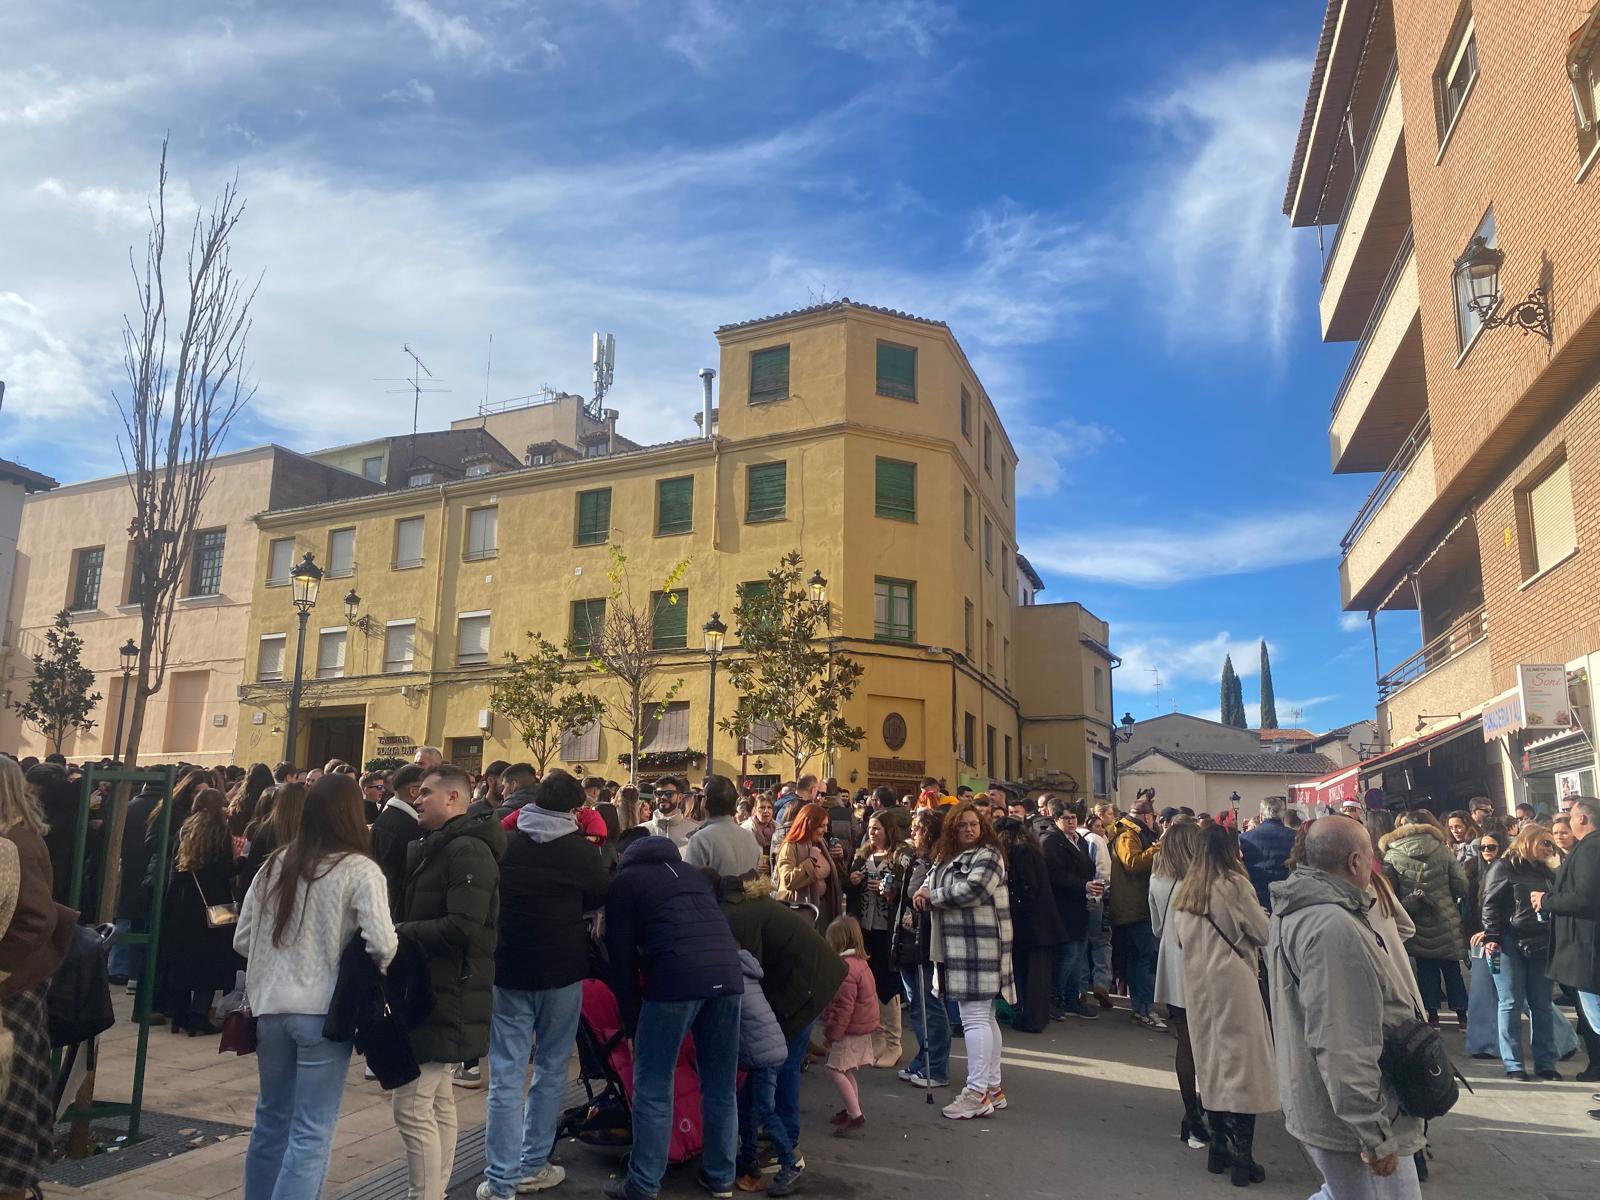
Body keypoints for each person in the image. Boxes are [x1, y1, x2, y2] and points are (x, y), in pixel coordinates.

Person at [236, 773, 398, 1200]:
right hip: (325, 1012)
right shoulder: (359, 870)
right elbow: (382, 942)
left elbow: (242, 938)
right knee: (311, 1132)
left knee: (270, 1121)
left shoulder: (275, 863)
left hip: (271, 1009)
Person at [1269, 816, 1425, 1198]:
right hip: (1352, 1115)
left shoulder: (1301, 905)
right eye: (1371, 854)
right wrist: (1374, 1132)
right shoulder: (1332, 925)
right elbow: (1342, 1040)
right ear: (1355, 862)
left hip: (1331, 1103)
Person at [480, 770, 608, 1199]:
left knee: (505, 1075)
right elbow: (596, 898)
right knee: (552, 1069)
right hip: (562, 970)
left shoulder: (505, 844)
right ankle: (533, 1165)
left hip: (509, 967)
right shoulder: (581, 852)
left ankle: (498, 1180)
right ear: (574, 810)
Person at [603, 836, 743, 1200]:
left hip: (674, 980)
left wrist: (631, 1022)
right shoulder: (692, 874)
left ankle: (644, 1182)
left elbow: (621, 960)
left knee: (653, 1085)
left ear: (624, 856)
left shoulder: (625, 882)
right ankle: (721, 1177)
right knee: (720, 1085)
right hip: (728, 976)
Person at [393, 764, 503, 1200]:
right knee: (436, 1100)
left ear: (454, 799)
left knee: (412, 1105)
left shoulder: (466, 851)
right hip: (435, 986)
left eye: (426, 793)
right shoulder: (443, 847)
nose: (417, 799)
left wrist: (400, 931)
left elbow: (464, 926)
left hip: (448, 990)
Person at [715, 870, 844, 1194]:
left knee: (782, 1070)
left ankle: (786, 1147)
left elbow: (749, 970)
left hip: (803, 988)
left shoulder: (736, 916)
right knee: (778, 1071)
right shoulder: (747, 904)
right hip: (810, 980)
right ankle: (776, 1143)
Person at [1173, 823, 1277, 1185]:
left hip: (1198, 986)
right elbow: (1262, 933)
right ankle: (1243, 1155)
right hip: (1233, 982)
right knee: (1243, 1066)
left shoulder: (1186, 892)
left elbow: (1179, 940)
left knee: (1212, 1063)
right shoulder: (1233, 885)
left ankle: (1218, 1145)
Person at [0, 756, 76, 1199]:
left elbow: (34, 920)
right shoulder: (16, 836)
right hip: (19, 982)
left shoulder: (17, 842)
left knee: (11, 1102)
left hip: (14, 988)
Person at [913, 800, 1016, 1120]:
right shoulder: (947, 855)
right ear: (952, 829)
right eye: (962, 825)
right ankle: (992, 1087)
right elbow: (928, 881)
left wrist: (933, 897)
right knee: (984, 1018)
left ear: (983, 826)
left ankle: (976, 1093)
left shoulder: (990, 855)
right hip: (958, 946)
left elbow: (975, 890)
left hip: (979, 946)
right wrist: (923, 892)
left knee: (974, 1017)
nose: (969, 829)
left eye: (974, 824)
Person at [156, 787, 244, 1035]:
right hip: (213, 905)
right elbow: (225, 869)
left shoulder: (184, 829)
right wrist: (242, 860)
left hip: (182, 903)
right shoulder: (219, 832)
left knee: (183, 958)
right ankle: (199, 1013)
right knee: (211, 960)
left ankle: (179, 1015)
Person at [1482, 823, 1563, 1080]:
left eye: (1551, 844)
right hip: (1508, 941)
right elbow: (1491, 903)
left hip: (1542, 940)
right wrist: (1492, 935)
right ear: (1529, 841)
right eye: (1545, 842)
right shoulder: (1504, 867)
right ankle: (1514, 1063)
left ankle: (1546, 1062)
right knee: (1510, 1002)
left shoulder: (1548, 872)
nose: (1549, 848)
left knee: (1542, 1004)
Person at [1534, 795, 1600, 1094]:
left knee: (1596, 1019)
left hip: (1587, 948)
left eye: (1571, 815)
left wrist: (1545, 900)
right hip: (1586, 947)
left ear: (1582, 819)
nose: (1567, 821)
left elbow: (1584, 897)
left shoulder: (1590, 848)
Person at [1379, 811, 1468, 1028]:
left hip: (1415, 919)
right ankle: (1462, 1016)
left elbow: (1389, 892)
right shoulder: (1442, 850)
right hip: (1445, 917)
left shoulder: (1392, 855)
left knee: (1425, 969)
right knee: (1451, 968)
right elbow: (1461, 885)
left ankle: (1433, 1015)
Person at [1149, 818, 1206, 1149]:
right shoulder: (1204, 881)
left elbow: (1156, 925)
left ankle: (1191, 1114)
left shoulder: (1158, 877)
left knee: (1184, 1041)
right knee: (1208, 1042)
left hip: (1171, 964)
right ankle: (1209, 1109)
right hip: (1202, 964)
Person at [891, 807, 950, 1088]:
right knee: (916, 1004)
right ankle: (923, 1059)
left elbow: (929, 899)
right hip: (907, 937)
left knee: (930, 1004)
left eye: (917, 828)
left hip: (925, 938)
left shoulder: (937, 863)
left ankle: (936, 1066)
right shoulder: (914, 859)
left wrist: (916, 910)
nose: (912, 832)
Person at [844, 810, 908, 1067]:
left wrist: (888, 890)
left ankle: (894, 1043)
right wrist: (853, 880)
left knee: (887, 983)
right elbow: (848, 888)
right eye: (870, 828)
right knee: (869, 983)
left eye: (877, 828)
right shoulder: (862, 855)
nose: (872, 832)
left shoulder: (899, 857)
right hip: (864, 927)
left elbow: (903, 890)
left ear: (889, 830)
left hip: (885, 927)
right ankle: (878, 1038)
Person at [993, 816, 1066, 1034]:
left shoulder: (1022, 851)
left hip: (1033, 924)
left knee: (1033, 975)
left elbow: (1027, 887)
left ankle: (1032, 1018)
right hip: (1041, 923)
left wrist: (1012, 905)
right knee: (1038, 974)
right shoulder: (1030, 848)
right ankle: (1035, 1016)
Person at [1039, 797, 1100, 1021]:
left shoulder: (1079, 840)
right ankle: (1055, 999)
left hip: (1080, 904)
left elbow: (1087, 867)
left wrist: (1092, 886)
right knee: (1068, 954)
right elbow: (1054, 874)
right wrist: (1082, 884)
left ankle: (1072, 998)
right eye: (1066, 818)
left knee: (1079, 953)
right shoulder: (1051, 841)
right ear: (1055, 819)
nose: (1072, 822)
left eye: (1074, 817)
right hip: (1062, 906)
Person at [817, 916, 877, 1137]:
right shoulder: (860, 964)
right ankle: (851, 1107)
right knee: (847, 1069)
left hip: (848, 1030)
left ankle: (855, 1114)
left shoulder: (845, 970)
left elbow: (843, 1008)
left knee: (834, 1069)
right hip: (860, 1026)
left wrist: (832, 1034)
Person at [1109, 795, 1163, 1029]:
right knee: (1141, 959)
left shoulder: (1134, 832)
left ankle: (1141, 1007)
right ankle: (1144, 1008)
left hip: (1137, 906)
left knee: (1138, 959)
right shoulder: (1128, 834)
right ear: (1147, 817)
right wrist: (1157, 850)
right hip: (1135, 908)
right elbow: (1132, 862)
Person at [109, 778, 163, 992]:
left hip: (130, 867)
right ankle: (135, 972)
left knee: (125, 916)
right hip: (152, 870)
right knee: (145, 921)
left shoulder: (129, 806)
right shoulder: (164, 809)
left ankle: (116, 967)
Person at [773, 802, 841, 930]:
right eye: (822, 826)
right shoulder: (790, 847)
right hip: (799, 913)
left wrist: (839, 857)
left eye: (826, 825)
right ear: (810, 825)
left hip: (822, 910)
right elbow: (788, 880)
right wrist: (811, 860)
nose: (826, 830)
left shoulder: (821, 843)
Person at [371, 764, 426, 917]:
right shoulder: (408, 826)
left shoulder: (387, 817)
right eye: (426, 790)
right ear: (414, 791)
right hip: (396, 910)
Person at [684, 775, 762, 877]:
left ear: (706, 801)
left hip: (714, 892)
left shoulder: (701, 839)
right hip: (747, 892)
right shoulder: (749, 836)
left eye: (701, 797)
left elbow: (691, 882)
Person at [1077, 805, 1114, 1009]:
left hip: (1076, 898)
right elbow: (1104, 873)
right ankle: (1101, 985)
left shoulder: (1071, 838)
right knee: (1101, 942)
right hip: (1095, 899)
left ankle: (1080, 990)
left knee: (1081, 944)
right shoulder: (1095, 840)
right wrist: (1098, 895)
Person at [1239, 797, 1296, 911]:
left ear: (1261, 815)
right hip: (1288, 898)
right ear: (1283, 815)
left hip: (1256, 899)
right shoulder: (1295, 837)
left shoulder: (1244, 839)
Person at [640, 776, 700, 849]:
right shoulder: (640, 831)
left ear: (680, 797)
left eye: (669, 794)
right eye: (659, 793)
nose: (663, 797)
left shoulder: (694, 831)